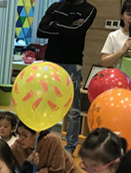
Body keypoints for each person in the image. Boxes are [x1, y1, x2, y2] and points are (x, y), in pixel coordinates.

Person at [36, 0, 97, 156]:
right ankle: (44, 142)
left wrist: (54, 24)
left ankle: (70, 147)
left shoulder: (89, 9)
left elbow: (77, 32)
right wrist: (69, 26)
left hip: (72, 64)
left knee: (73, 109)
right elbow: (41, 31)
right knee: (47, 104)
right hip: (50, 62)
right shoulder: (55, 6)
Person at [11, 122, 83, 173]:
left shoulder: (52, 140)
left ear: (37, 134)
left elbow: (58, 171)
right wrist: (28, 163)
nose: (20, 139)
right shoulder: (18, 145)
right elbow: (6, 159)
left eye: (24, 136)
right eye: (18, 135)